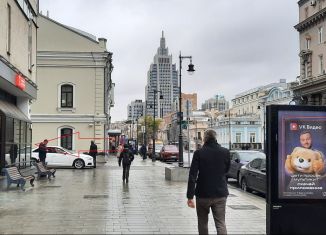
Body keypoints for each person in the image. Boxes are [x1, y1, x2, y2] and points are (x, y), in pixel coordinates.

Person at [187, 129, 230, 235]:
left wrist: (190, 196)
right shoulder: (225, 152)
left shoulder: (199, 153)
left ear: (205, 139)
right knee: (220, 223)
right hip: (220, 193)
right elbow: (227, 170)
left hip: (202, 194)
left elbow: (193, 175)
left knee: (202, 223)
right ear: (216, 138)